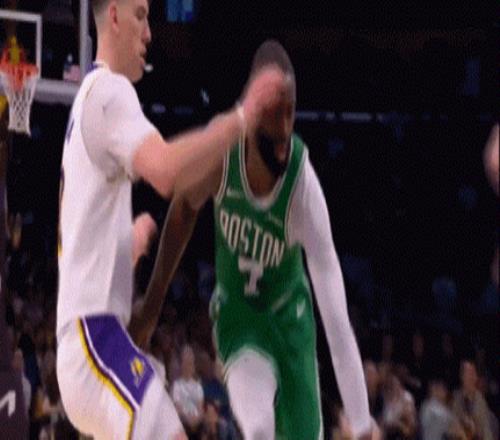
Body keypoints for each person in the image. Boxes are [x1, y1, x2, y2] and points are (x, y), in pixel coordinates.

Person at [55, 0, 285, 438]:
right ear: (115, 16)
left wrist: (129, 244)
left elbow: (81, 234)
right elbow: (164, 172)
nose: (149, 33)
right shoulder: (111, 91)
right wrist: (242, 116)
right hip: (93, 341)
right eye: (141, 16)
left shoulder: (88, 99)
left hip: (91, 345)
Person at [130, 40, 376, 439]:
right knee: (259, 427)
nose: (285, 125)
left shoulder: (303, 187)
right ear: (253, 109)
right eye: (275, 111)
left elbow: (336, 319)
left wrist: (363, 425)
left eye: (291, 111)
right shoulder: (224, 151)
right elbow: (183, 207)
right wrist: (153, 304)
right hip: (239, 315)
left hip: (291, 321)